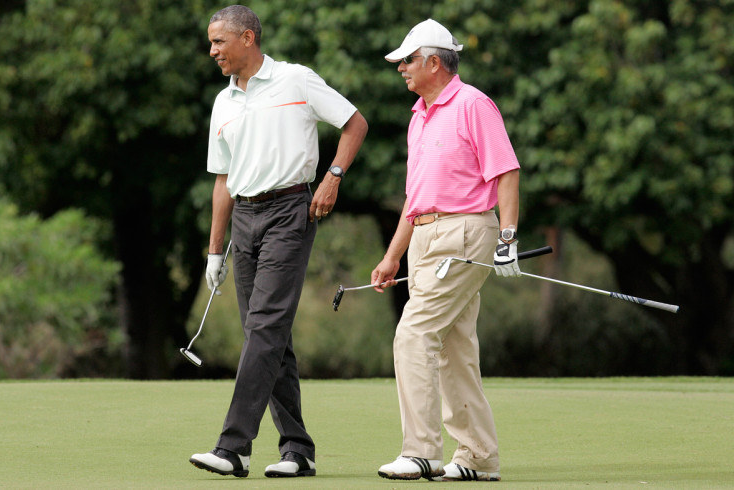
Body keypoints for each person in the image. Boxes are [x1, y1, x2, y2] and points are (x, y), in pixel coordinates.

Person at [189, 5, 368, 479]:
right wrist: (213, 249)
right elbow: (223, 181)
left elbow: (355, 123)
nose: (212, 52)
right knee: (268, 336)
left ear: (247, 38)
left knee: (265, 327)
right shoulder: (223, 102)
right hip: (244, 217)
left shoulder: (296, 80)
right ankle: (298, 449)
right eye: (211, 43)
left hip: (291, 210)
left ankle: (234, 448)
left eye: (219, 42)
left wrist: (333, 177)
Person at [370, 18, 521, 482]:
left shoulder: (473, 104)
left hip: (464, 233)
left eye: (408, 61)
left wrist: (508, 238)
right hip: (424, 238)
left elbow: (506, 172)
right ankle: (478, 455)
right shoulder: (419, 116)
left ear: (434, 62)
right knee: (452, 348)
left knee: (413, 334)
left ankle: (421, 452)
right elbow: (415, 201)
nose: (401, 69)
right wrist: (392, 256)